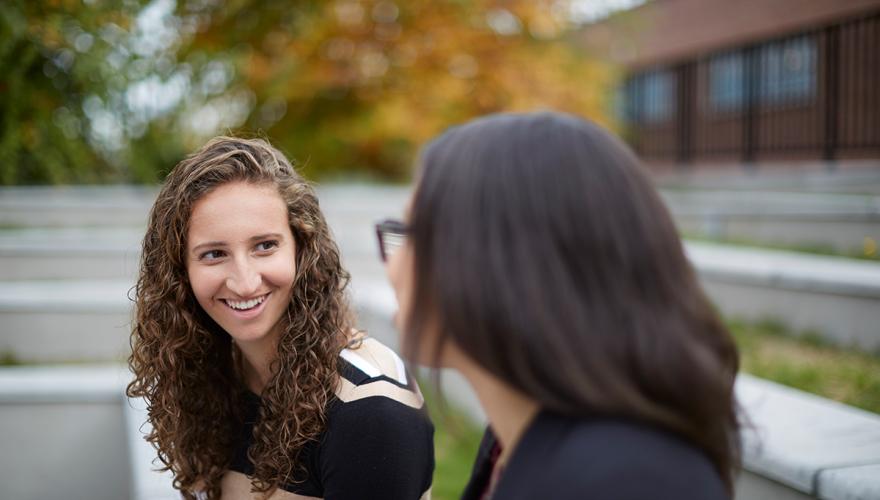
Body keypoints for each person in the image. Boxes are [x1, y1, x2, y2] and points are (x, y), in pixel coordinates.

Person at [378, 111, 741, 499]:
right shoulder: (514, 440)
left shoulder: (625, 482)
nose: (391, 261)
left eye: (409, 232)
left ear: (491, 259)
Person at [127, 137, 434, 500]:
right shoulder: (212, 376)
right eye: (213, 254)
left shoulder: (370, 412)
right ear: (181, 272)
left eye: (265, 246)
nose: (244, 282)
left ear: (302, 249)